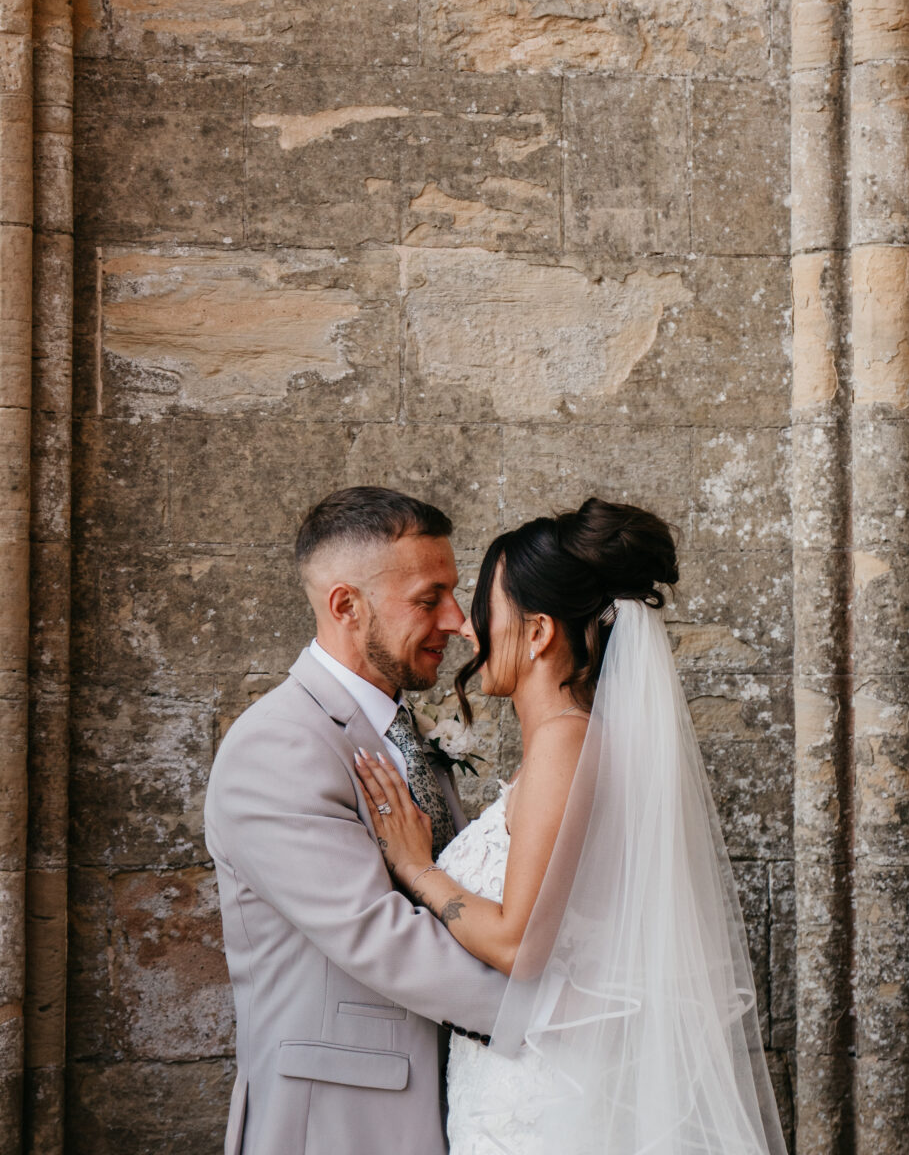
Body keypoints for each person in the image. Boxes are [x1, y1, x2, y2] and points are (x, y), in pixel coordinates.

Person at [356, 497, 788, 1155]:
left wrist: (417, 867)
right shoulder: (579, 744)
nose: (470, 632)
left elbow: (520, 944)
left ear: (537, 633)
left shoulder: (566, 741)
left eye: (484, 610)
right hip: (540, 1076)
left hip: (537, 1103)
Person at [204, 487, 507, 1155]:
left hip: (449, 1101)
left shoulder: (409, 732)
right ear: (346, 605)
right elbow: (382, 936)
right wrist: (559, 1012)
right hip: (338, 1121)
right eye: (430, 599)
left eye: (453, 595)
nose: (458, 621)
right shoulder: (278, 747)